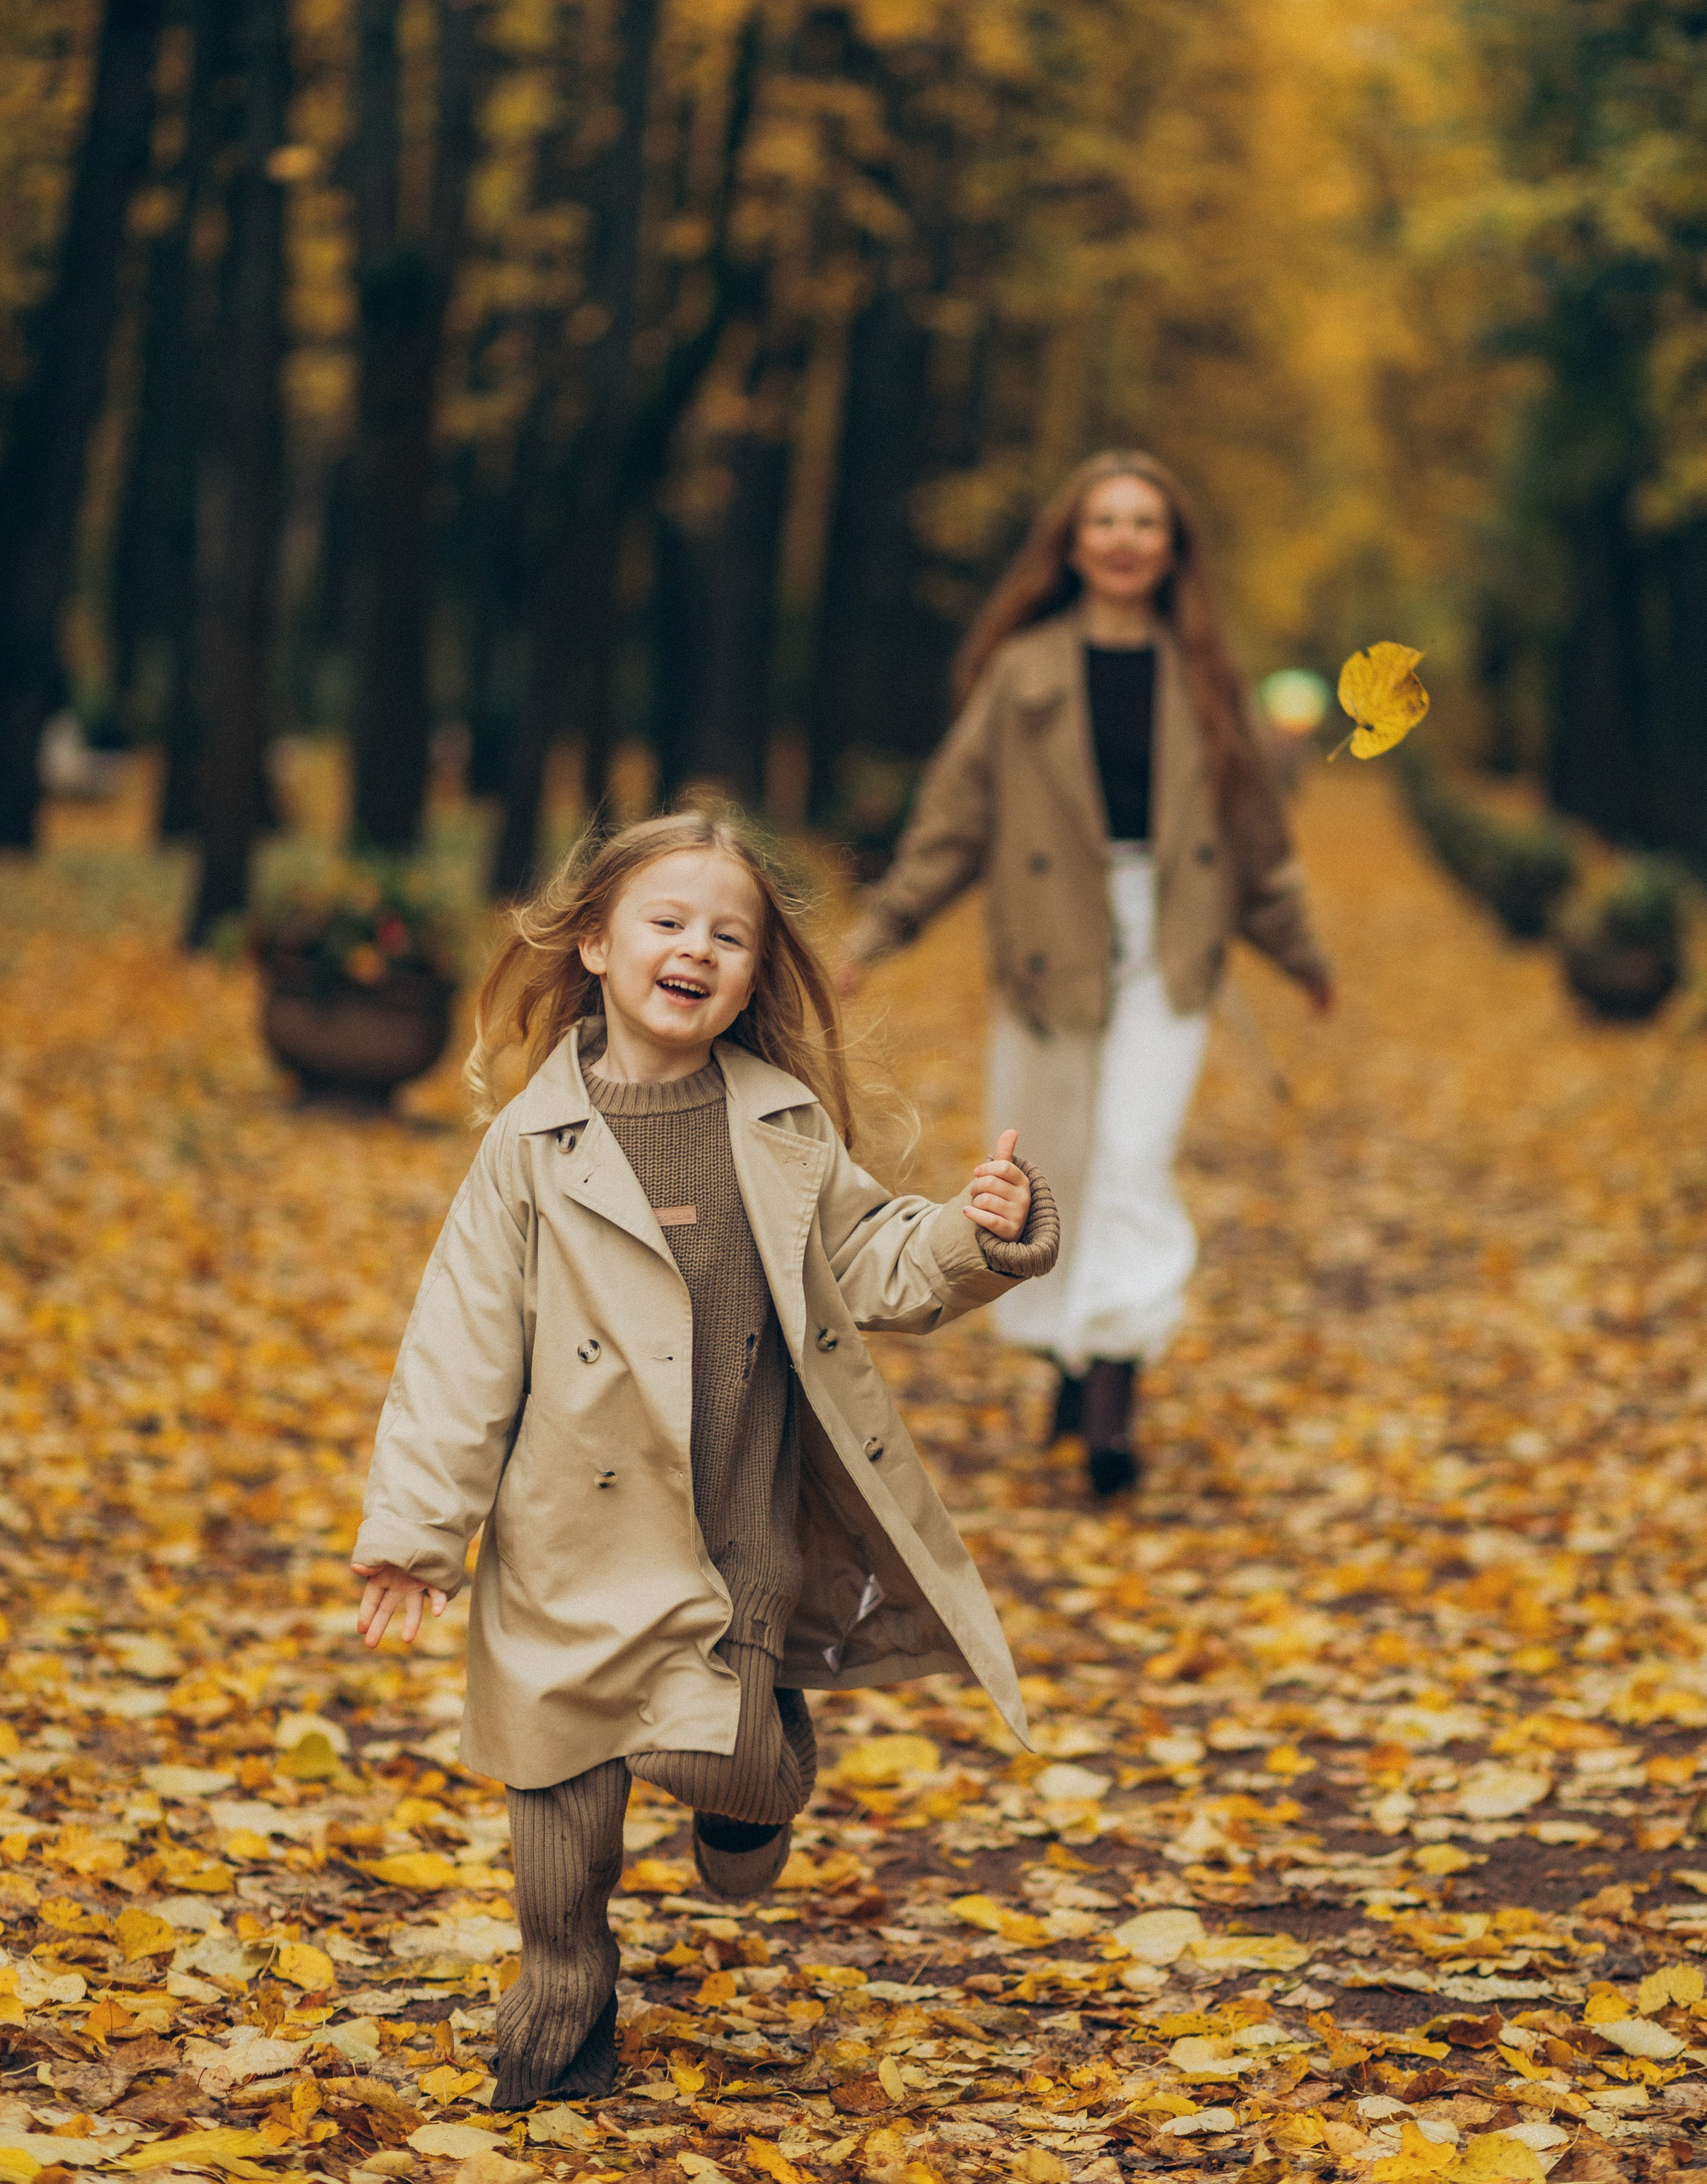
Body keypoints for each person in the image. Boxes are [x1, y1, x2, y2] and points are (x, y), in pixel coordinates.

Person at [349, 811, 1058, 2109]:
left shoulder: (778, 1126)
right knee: (559, 1814)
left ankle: (761, 1789)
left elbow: (875, 1266)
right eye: (667, 922)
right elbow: (457, 1344)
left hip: (731, 1531)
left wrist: (980, 1234)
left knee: (737, 1756)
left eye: (728, 934)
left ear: (753, 973)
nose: (696, 949)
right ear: (598, 944)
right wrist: (415, 1531)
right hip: (568, 1539)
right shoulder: (528, 1150)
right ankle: (564, 2011)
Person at [839, 451, 1331, 1500]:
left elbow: (1255, 836)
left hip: (1173, 932)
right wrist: (880, 933)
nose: (1122, 538)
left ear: (1172, 549)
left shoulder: (1203, 674)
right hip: (1050, 934)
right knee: (1054, 1159)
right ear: (1070, 545)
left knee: (1134, 1151)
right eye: (1103, 520)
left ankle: (1112, 1375)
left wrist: (1300, 954)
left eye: (1144, 522)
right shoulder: (1024, 673)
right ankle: (1065, 1352)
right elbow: (954, 821)